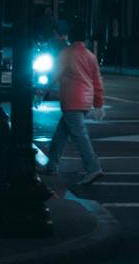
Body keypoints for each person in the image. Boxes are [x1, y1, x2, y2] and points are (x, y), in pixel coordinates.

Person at [43, 29, 105, 191]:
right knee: (61, 134)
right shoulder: (90, 56)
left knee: (79, 135)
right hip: (85, 100)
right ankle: (52, 165)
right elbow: (97, 81)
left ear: (70, 37)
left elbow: (54, 75)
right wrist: (98, 104)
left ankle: (93, 168)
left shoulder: (67, 53)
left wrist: (40, 91)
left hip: (72, 100)